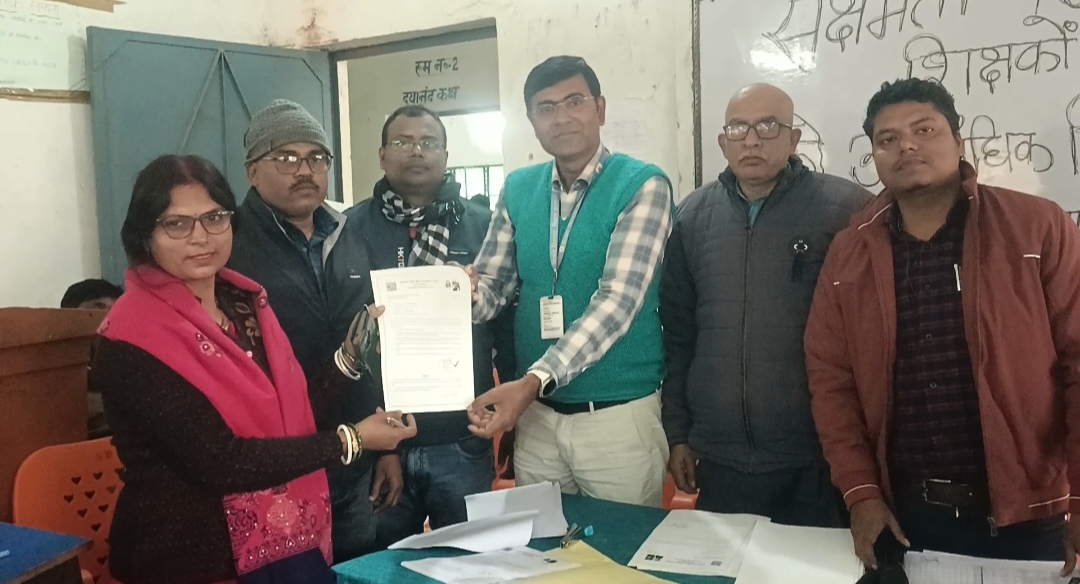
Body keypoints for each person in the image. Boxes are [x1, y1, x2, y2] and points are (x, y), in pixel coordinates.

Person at [91, 155, 417, 584]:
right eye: (177, 224)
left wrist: (350, 356)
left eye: (214, 218)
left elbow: (291, 420)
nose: (200, 237)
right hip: (188, 558)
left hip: (283, 542)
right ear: (145, 234)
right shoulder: (131, 335)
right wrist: (352, 439)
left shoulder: (244, 305)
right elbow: (223, 461)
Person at [805, 78, 1080, 574]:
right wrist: (861, 494)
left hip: (1030, 514)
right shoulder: (849, 252)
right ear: (874, 156)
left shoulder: (1038, 227)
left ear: (958, 140)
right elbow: (832, 382)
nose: (906, 146)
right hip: (905, 517)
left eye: (924, 130)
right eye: (887, 139)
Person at [464, 55, 675, 507]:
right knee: (543, 545)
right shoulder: (518, 188)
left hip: (616, 418)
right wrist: (457, 293)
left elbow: (617, 303)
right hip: (538, 418)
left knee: (622, 549)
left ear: (600, 108)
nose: (561, 118)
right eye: (546, 108)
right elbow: (493, 290)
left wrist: (533, 381)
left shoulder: (642, 185)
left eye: (574, 102)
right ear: (531, 122)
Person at [661, 83, 871, 526]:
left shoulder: (846, 210)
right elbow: (679, 337)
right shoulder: (692, 217)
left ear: (794, 139)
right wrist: (678, 433)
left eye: (768, 126)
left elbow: (871, 337)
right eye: (738, 128)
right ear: (723, 142)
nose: (752, 140)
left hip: (817, 458)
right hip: (721, 458)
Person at [226, 99, 397, 561]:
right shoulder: (229, 246)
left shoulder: (350, 235)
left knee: (357, 570)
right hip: (278, 471)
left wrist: (386, 451)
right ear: (252, 171)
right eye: (286, 157)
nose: (305, 170)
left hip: (354, 462)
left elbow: (372, 343)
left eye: (317, 157)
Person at [346, 104, 516, 547]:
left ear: (445, 154)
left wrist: (514, 415)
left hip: (463, 438)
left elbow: (505, 324)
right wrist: (382, 448)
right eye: (402, 142)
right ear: (382, 154)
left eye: (428, 142)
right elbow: (346, 338)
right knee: (383, 565)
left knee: (471, 563)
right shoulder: (349, 229)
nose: (416, 151)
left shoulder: (483, 228)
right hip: (380, 441)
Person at [62, 278, 124, 438]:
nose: (107, 317)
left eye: (115, 309)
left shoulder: (129, 366)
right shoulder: (56, 374)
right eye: (98, 307)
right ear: (67, 316)